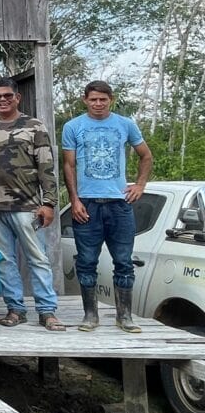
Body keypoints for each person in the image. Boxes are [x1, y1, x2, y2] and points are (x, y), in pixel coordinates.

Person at [62, 80, 153, 333]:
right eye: (93, 99)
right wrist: (74, 200)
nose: (98, 104)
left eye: (103, 99)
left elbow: (146, 155)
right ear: (85, 100)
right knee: (87, 260)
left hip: (119, 204)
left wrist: (140, 185)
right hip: (87, 204)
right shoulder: (73, 127)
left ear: (111, 99)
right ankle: (90, 314)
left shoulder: (125, 124)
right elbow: (68, 165)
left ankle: (124, 316)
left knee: (123, 261)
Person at [0, 78, 63, 331]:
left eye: (7, 96)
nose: (2, 100)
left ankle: (47, 310)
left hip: (28, 206)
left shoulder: (34, 126)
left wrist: (49, 203)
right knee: (4, 261)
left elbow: (47, 166)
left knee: (38, 259)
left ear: (17, 97)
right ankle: (15, 309)